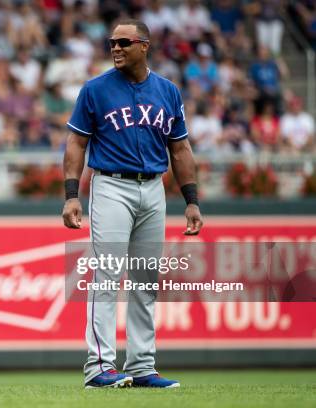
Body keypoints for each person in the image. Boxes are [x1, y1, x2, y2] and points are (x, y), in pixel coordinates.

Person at [62, 19, 203, 389]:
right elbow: (76, 143)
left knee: (145, 279)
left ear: (145, 45)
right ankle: (98, 367)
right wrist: (71, 194)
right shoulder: (95, 90)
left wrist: (192, 201)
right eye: (112, 42)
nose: (116, 48)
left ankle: (141, 366)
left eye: (124, 42)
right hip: (110, 185)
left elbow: (180, 148)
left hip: (154, 188)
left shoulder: (168, 91)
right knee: (107, 274)